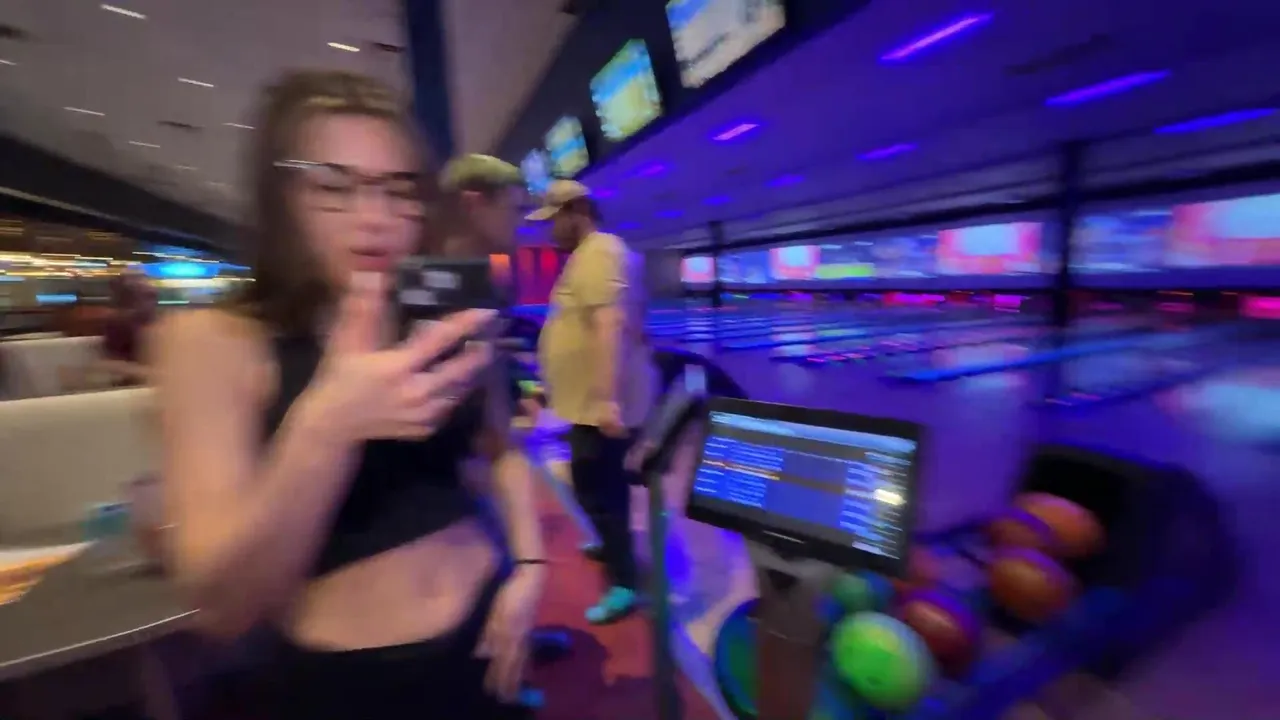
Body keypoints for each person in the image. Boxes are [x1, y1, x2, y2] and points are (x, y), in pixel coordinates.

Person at [152, 70, 545, 720]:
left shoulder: (439, 308)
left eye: (399, 188)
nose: (376, 218)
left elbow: (501, 446)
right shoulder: (213, 340)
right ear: (282, 197)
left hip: (488, 629)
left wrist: (530, 566)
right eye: (334, 186)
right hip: (353, 682)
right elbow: (223, 607)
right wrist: (325, 427)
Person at [527, 179, 657, 624]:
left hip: (599, 407)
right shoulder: (591, 255)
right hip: (586, 404)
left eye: (554, 220)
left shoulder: (600, 251)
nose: (549, 231)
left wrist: (607, 400)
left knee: (599, 490)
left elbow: (609, 324)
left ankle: (625, 583)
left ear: (577, 212)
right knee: (599, 489)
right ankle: (611, 545)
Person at [99, 272, 158, 386]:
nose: (154, 302)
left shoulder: (152, 320)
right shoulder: (119, 323)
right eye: (149, 296)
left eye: (154, 296)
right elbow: (116, 365)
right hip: (136, 384)